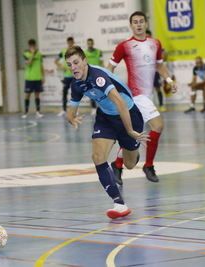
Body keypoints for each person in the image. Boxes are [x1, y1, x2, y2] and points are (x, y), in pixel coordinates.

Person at [65, 46, 148, 219]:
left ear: (85, 60)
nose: (73, 67)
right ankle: (119, 203)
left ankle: (122, 153)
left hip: (129, 115)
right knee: (97, 157)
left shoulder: (99, 77)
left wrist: (131, 131)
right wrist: (71, 118)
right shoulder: (76, 83)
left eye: (76, 62)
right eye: (69, 64)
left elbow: (121, 104)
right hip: (106, 118)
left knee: (130, 164)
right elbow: (70, 111)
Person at [107, 11, 177, 183]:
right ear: (131, 26)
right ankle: (148, 165)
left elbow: (160, 67)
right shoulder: (124, 46)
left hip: (148, 96)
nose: (138, 24)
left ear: (146, 24)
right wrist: (109, 90)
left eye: (141, 21)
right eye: (135, 22)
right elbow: (109, 69)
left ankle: (117, 165)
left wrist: (169, 79)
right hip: (135, 96)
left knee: (133, 135)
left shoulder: (155, 44)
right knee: (158, 125)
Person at [22, 39, 44, 119]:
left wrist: (43, 76)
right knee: (27, 95)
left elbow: (41, 65)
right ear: (29, 46)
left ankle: (38, 111)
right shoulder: (25, 53)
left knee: (37, 95)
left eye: (33, 45)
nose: (32, 47)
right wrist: (32, 54)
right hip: (29, 78)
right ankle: (26, 112)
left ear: (35, 45)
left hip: (37, 78)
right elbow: (29, 63)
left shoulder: (39, 54)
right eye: (31, 46)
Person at [55, 36, 75, 116]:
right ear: (67, 43)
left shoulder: (76, 51)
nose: (70, 44)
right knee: (64, 92)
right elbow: (56, 61)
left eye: (71, 42)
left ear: (73, 42)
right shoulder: (63, 51)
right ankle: (64, 109)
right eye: (69, 42)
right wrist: (61, 66)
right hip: (66, 76)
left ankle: (75, 110)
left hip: (75, 75)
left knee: (75, 93)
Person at [84, 38, 104, 116]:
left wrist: (103, 72)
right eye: (88, 43)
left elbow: (102, 62)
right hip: (89, 75)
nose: (90, 45)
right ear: (87, 44)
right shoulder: (84, 53)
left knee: (100, 91)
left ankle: (102, 107)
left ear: (93, 43)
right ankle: (93, 108)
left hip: (98, 74)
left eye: (91, 43)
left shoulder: (99, 52)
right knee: (92, 92)